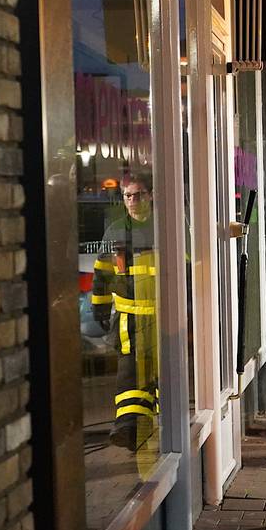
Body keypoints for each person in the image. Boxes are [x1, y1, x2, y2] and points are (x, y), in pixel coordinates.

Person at [92, 178, 159, 454]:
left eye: (138, 195)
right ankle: (128, 425)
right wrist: (99, 306)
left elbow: (188, 267)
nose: (133, 201)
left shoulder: (164, 227)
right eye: (128, 196)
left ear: (150, 195)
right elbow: (102, 272)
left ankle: (146, 422)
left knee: (158, 372)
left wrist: (190, 304)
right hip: (127, 318)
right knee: (129, 372)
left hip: (161, 317)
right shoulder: (116, 231)